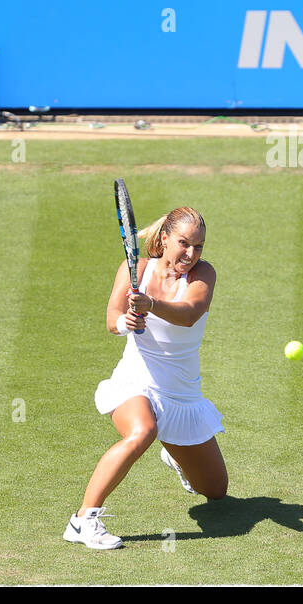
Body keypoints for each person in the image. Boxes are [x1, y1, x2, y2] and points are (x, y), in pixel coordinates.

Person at [63, 206, 228, 550]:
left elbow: (190, 313)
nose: (191, 254)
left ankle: (176, 454)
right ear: (165, 238)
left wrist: (149, 304)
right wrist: (126, 323)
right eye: (184, 243)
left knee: (215, 491)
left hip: (183, 398)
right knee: (144, 430)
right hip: (136, 384)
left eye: (198, 247)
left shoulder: (203, 275)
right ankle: (83, 520)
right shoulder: (135, 267)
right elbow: (112, 317)